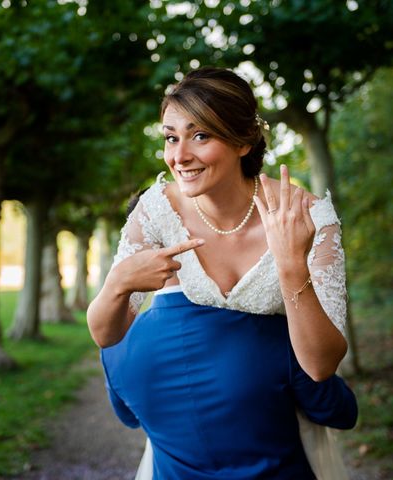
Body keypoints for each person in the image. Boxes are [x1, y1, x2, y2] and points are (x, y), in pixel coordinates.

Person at [87, 67, 356, 479]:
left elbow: (320, 367)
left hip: (283, 422)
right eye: (171, 137)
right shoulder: (156, 210)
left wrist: (289, 267)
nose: (179, 156)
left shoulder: (306, 217)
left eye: (201, 135)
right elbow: (107, 335)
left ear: (244, 141)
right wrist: (118, 283)